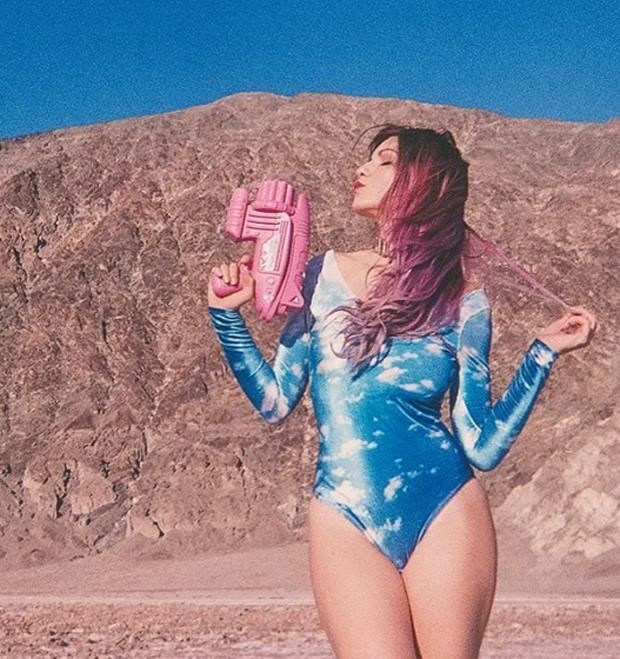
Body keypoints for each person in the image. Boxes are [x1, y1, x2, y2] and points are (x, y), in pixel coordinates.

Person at [206, 124, 598, 659]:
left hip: (445, 509)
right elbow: (275, 401)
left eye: (385, 160)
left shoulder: (463, 299)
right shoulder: (319, 277)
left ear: (424, 182)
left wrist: (542, 353)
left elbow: (481, 445)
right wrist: (226, 316)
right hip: (343, 512)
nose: (362, 168)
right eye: (369, 158)